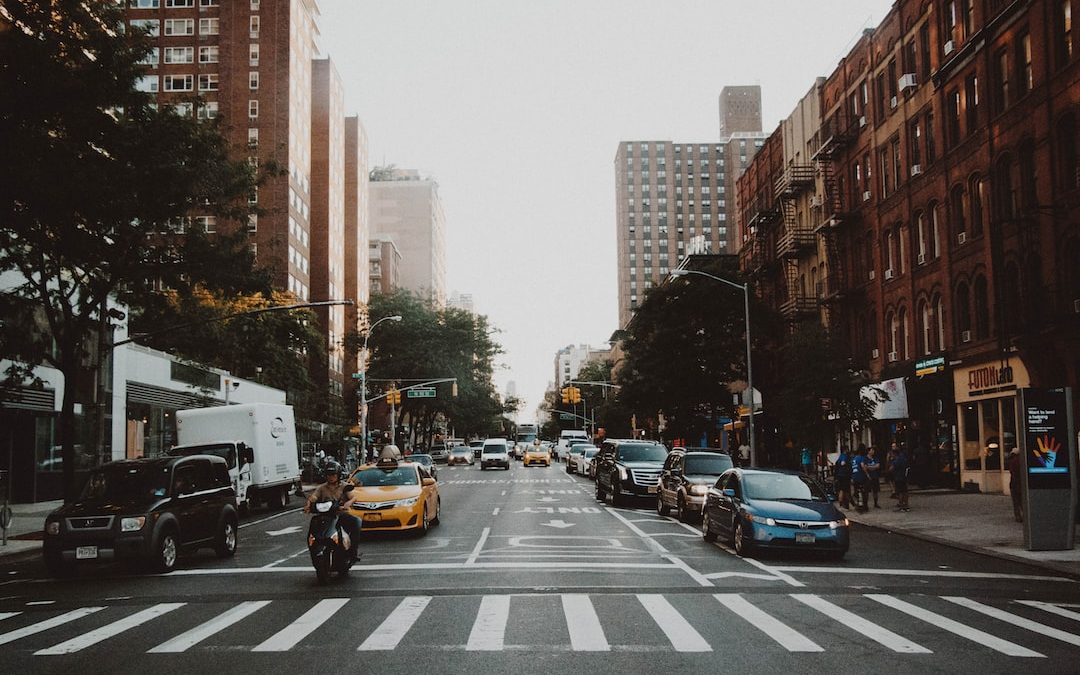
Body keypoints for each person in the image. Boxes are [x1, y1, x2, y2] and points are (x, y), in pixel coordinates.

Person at [303, 461, 360, 560]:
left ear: (338, 475)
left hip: (340, 515)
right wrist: (308, 505)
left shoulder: (344, 486)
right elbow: (313, 497)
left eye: (333, 474)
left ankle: (353, 552)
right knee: (313, 528)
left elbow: (353, 498)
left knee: (357, 522)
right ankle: (314, 550)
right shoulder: (321, 488)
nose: (331, 477)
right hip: (325, 516)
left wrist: (348, 503)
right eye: (328, 475)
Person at [1006, 447, 1023, 522]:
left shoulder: (1011, 461)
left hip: (1014, 483)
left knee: (1016, 502)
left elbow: (1012, 472)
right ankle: (1025, 514)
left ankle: (1018, 516)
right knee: (1022, 501)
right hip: (1020, 483)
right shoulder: (1021, 461)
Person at [891, 445, 910, 511]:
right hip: (904, 476)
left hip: (898, 477)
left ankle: (901, 505)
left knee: (900, 492)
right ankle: (906, 505)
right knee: (905, 491)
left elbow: (892, 468)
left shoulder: (896, 461)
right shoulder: (904, 458)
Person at [850, 445, 869, 512]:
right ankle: (865, 505)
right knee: (864, 491)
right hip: (861, 476)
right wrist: (867, 474)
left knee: (857, 491)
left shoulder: (853, 459)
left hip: (855, 477)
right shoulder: (861, 458)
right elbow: (862, 466)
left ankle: (858, 504)